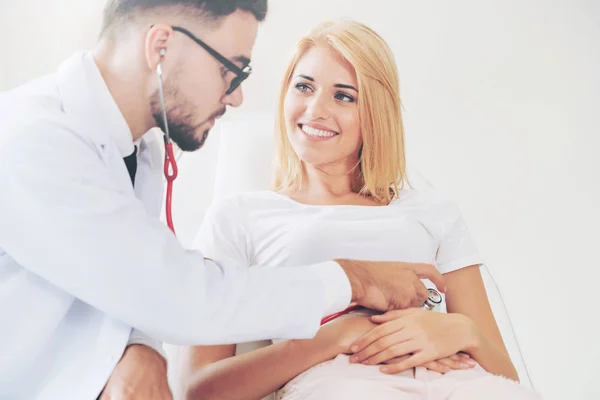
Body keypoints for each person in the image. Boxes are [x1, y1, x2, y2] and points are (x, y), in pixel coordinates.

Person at [0, 2, 447, 399]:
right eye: (230, 68)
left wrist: (141, 348)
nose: (235, 96)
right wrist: (351, 281)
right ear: (160, 47)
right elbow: (181, 297)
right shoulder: (33, 139)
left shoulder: (141, 151)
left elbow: (126, 278)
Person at [180, 19, 544, 400]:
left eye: (344, 96)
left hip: (461, 383)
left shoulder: (433, 211)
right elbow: (199, 390)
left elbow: (507, 378)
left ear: (375, 112)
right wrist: (333, 338)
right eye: (303, 87)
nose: (316, 109)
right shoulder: (241, 216)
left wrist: (460, 332)